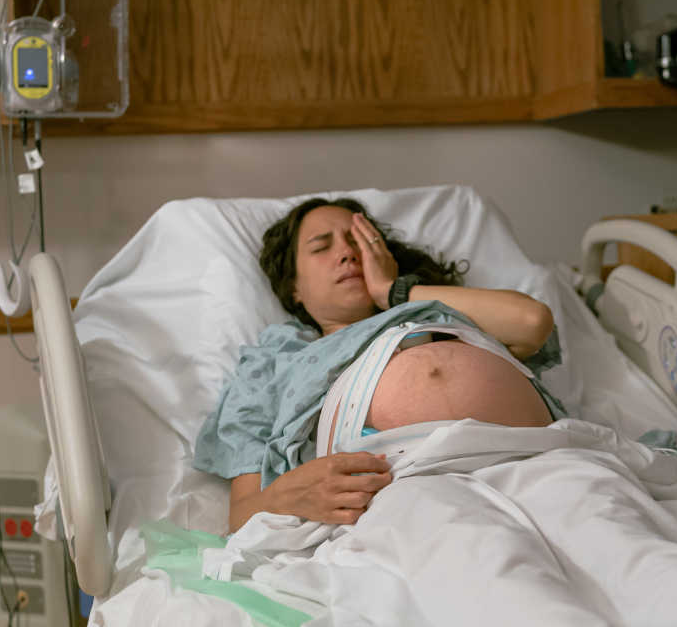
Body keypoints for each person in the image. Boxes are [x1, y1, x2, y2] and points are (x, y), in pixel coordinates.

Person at [194, 198, 565, 531]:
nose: (347, 253)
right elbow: (243, 513)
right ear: (294, 287)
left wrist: (393, 290)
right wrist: (290, 492)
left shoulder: (435, 309)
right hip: (403, 485)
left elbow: (531, 321)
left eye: (359, 242)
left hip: (541, 459)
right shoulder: (276, 357)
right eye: (322, 247)